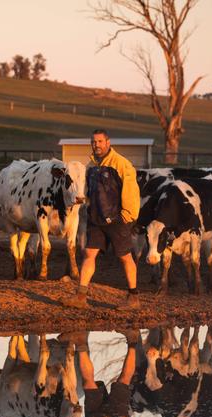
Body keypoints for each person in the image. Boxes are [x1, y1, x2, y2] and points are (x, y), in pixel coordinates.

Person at [64, 129, 140, 310]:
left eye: (99, 141)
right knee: (89, 254)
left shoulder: (121, 164)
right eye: (93, 142)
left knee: (125, 257)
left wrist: (127, 216)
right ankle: (81, 297)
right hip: (96, 220)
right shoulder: (91, 166)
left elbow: (131, 191)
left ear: (108, 142)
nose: (96, 145)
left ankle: (133, 298)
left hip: (117, 220)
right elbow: (88, 192)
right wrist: (87, 207)